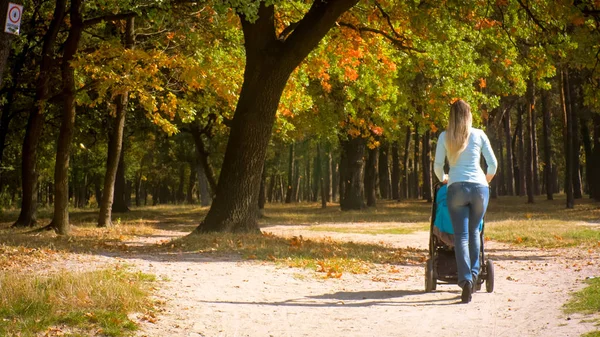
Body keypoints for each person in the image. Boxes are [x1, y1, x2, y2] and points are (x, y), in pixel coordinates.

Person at [433, 99, 497, 303]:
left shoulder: (445, 137)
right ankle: (476, 273)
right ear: (469, 115)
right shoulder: (479, 134)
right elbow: (493, 165)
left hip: (457, 188)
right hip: (479, 189)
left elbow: (437, 167)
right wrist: (484, 181)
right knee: (475, 231)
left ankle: (466, 280)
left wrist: (444, 178)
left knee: (461, 236)